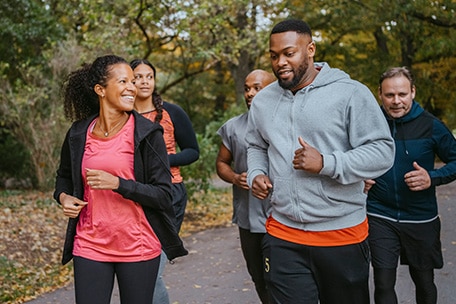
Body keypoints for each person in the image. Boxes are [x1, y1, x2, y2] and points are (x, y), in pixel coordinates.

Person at [245, 19, 395, 304]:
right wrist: (256, 172)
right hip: (283, 234)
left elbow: (382, 151)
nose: (280, 62)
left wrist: (327, 162)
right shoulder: (264, 101)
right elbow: (255, 144)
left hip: (341, 235)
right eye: (274, 56)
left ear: (310, 49)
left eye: (289, 53)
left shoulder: (350, 93)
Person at [54, 55, 187, 304]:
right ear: (100, 90)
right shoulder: (78, 133)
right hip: (90, 242)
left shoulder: (148, 134)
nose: (132, 87)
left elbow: (164, 195)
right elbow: (63, 177)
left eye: (133, 81)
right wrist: (64, 197)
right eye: (124, 81)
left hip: (137, 245)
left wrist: (118, 184)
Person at [365, 66, 456, 304]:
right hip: (379, 215)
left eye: (402, 94)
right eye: (389, 95)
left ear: (413, 92)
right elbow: (353, 158)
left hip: (420, 218)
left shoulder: (431, 125)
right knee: (383, 282)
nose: (396, 101)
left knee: (423, 280)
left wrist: (432, 178)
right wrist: (359, 178)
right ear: (379, 94)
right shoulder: (370, 125)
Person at [130, 58, 199, 304]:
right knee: (137, 267)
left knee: (152, 268)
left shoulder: (172, 112)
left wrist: (161, 161)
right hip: (132, 195)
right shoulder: (121, 115)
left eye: (149, 76)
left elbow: (192, 150)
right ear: (129, 81)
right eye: (138, 76)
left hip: (169, 194)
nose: (144, 81)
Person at [216, 69, 275, 304]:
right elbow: (221, 163)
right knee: (259, 278)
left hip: (280, 216)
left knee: (279, 279)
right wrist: (234, 177)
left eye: (257, 88)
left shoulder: (286, 124)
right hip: (247, 218)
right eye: (247, 88)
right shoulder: (232, 127)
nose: (250, 93)